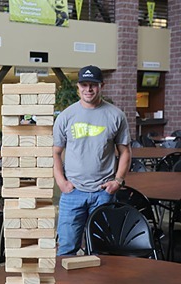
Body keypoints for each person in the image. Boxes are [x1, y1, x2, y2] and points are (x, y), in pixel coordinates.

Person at [53, 65, 131, 256]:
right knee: (66, 249)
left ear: (101, 86)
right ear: (78, 86)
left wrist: (118, 181)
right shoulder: (66, 116)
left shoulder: (116, 115)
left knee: (102, 249)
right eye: (84, 84)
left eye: (93, 85)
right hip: (73, 193)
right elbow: (55, 152)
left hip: (103, 192)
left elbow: (125, 151)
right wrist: (61, 182)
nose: (88, 89)